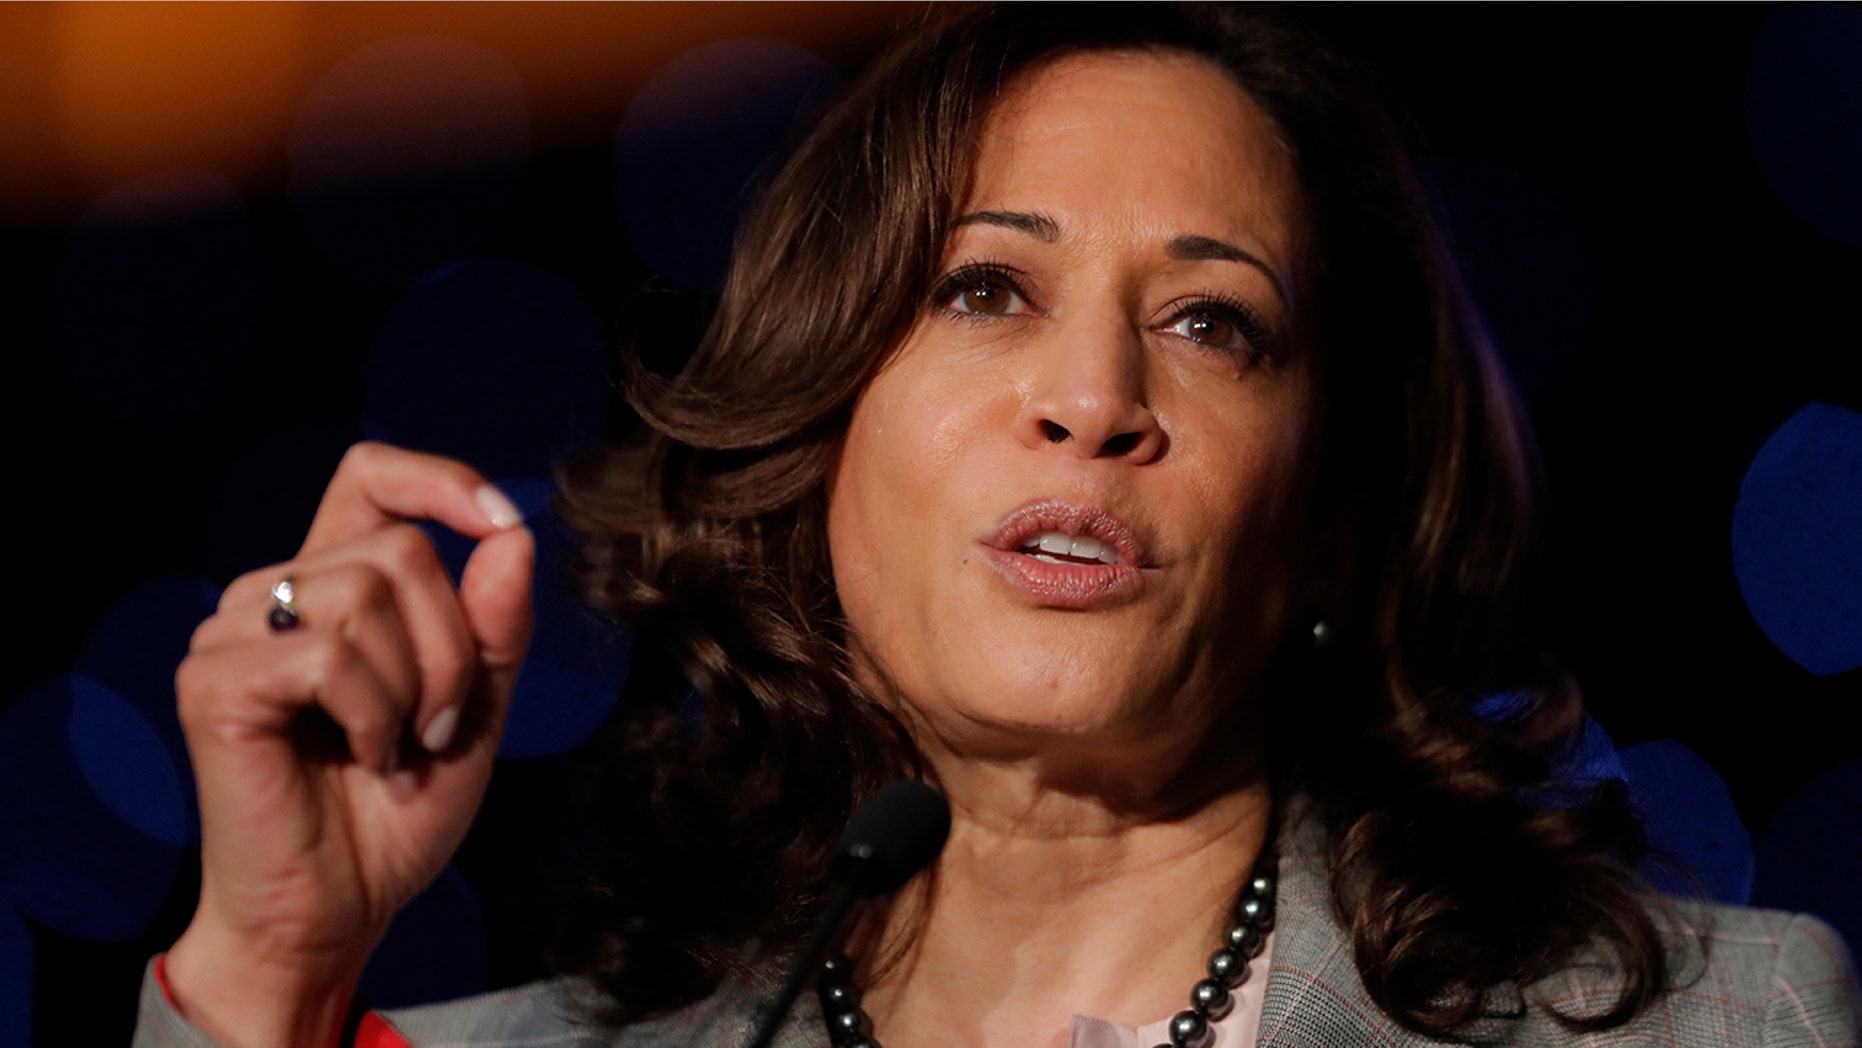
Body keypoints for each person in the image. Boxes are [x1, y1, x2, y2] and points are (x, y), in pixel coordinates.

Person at [136, 5, 1858, 1047]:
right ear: (815, 435)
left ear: (1330, 514)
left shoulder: (1732, 1024)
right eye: (983, 289)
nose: (1094, 395)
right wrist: (273, 968)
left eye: (1210, 322)